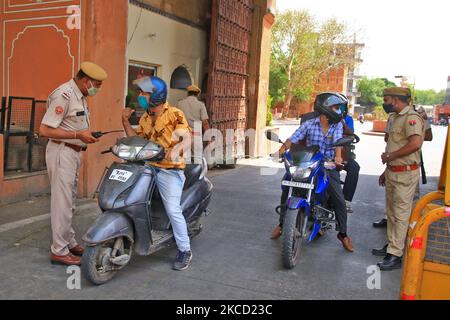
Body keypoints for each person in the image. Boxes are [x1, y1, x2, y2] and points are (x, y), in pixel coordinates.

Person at [121, 76, 193, 271]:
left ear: (157, 95)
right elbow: (136, 140)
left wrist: (177, 149)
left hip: (170, 170)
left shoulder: (175, 114)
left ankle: (185, 250)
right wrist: (125, 122)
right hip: (147, 167)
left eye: (144, 93)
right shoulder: (145, 117)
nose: (140, 96)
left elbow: (187, 139)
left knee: (172, 208)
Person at [39, 62, 106, 266]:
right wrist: (78, 135)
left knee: (69, 201)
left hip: (73, 152)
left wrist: (83, 136)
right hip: (62, 152)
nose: (98, 88)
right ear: (86, 81)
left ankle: (68, 241)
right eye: (97, 84)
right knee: (62, 203)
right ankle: (59, 250)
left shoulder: (80, 96)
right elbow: (45, 130)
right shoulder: (64, 95)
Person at [271, 92, 354, 252]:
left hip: (326, 164)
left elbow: (338, 144)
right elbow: (294, 137)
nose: (339, 111)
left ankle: (343, 234)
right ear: (325, 108)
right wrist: (281, 150)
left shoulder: (336, 126)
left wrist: (337, 158)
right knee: (287, 183)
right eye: (336, 107)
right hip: (308, 162)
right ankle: (282, 224)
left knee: (338, 197)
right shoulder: (310, 124)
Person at [373, 87, 425, 271]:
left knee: (401, 214)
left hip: (405, 172)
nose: (385, 103)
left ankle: (395, 255)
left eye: (387, 99)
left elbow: (415, 143)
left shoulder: (412, 118)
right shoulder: (394, 117)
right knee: (392, 213)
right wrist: (385, 170)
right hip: (393, 171)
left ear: (395, 100)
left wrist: (391, 156)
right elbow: (392, 144)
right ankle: (392, 245)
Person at [372, 104, 433, 228]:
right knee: (393, 200)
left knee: (410, 201)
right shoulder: (393, 116)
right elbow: (387, 138)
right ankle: (391, 223)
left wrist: (422, 123)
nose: (388, 102)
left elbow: (428, 137)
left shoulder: (416, 114)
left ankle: (412, 229)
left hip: (409, 164)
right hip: (394, 162)